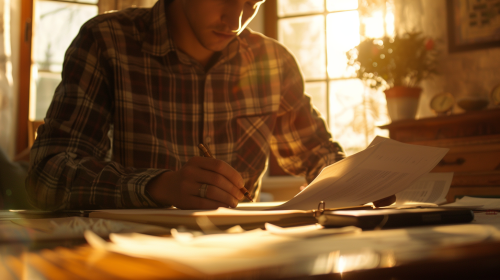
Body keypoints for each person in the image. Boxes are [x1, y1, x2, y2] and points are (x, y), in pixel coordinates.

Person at [27, 0, 345, 211]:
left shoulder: (274, 63)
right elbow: (46, 174)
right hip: (131, 262)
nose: (235, 20)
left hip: (241, 260)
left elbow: (318, 154)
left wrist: (360, 181)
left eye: (251, 2)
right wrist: (159, 186)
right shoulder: (106, 42)